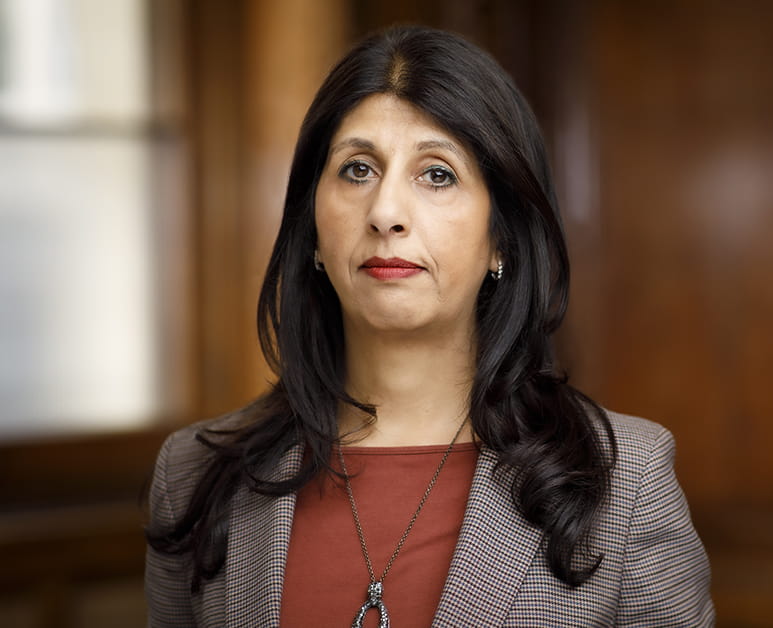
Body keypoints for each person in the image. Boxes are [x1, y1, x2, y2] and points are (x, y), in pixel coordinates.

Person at [144, 25, 714, 627]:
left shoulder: (624, 483)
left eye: (437, 173)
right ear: (311, 227)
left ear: (502, 237)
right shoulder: (193, 477)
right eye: (357, 169)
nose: (386, 212)